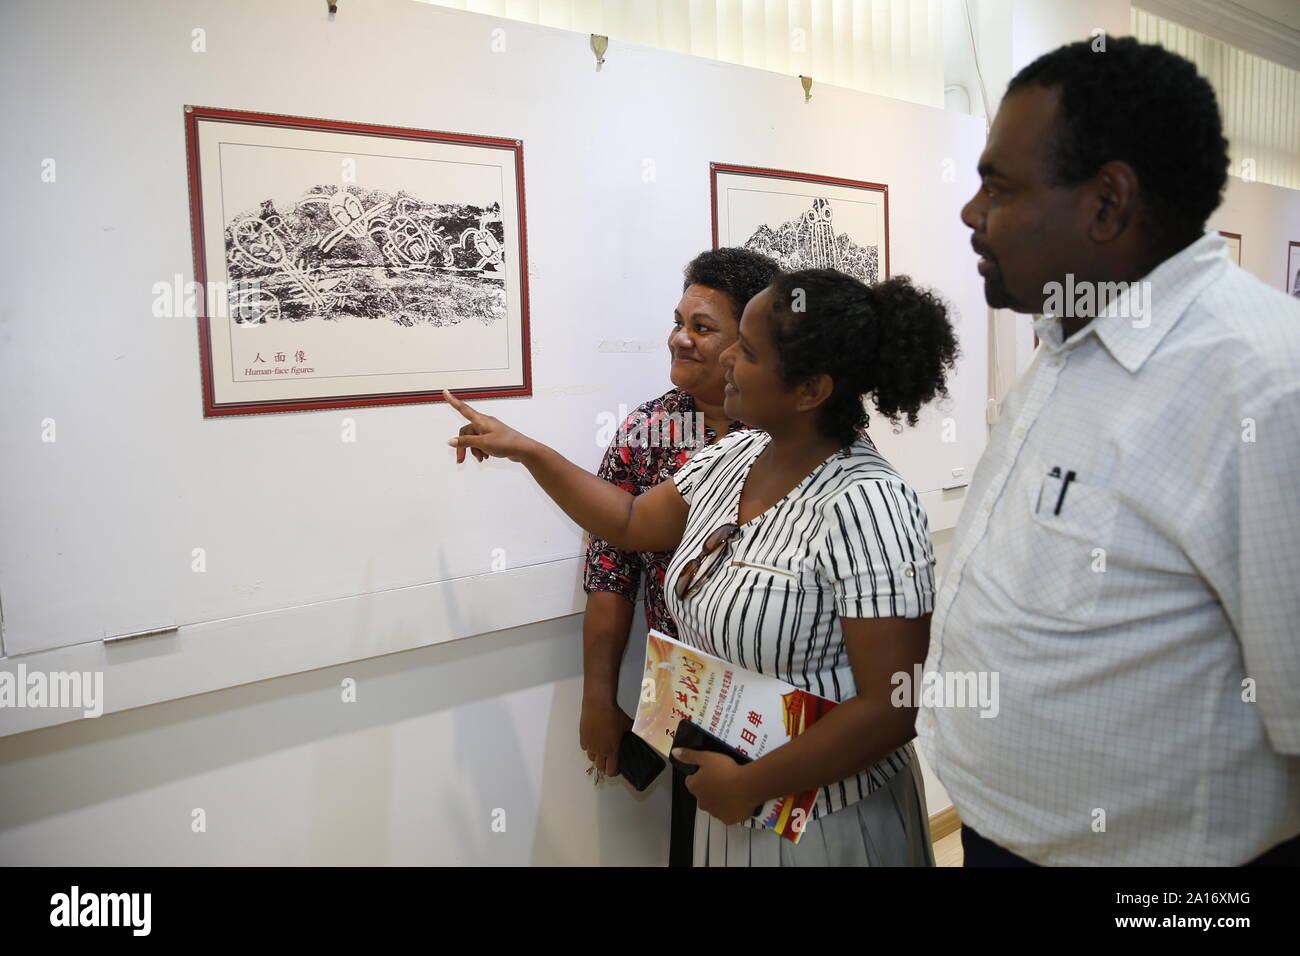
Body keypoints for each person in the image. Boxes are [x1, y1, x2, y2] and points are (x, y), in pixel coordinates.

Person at [918, 37, 1300, 866]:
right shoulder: (1066, 347)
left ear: (1107, 203)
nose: (970, 213)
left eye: (999, 186)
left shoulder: (1266, 389)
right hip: (997, 836)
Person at [446, 268, 958, 866]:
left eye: (748, 350)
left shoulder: (869, 504)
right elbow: (632, 521)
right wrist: (528, 450)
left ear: (810, 390)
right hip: (735, 802)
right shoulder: (738, 455)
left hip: (825, 822)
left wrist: (752, 785)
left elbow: (893, 707)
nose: (729, 361)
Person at [579, 247, 778, 867]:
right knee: (699, 848)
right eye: (678, 321)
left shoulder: (794, 434)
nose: (679, 339)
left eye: (702, 327)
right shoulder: (646, 435)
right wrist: (597, 696)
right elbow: (611, 572)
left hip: (782, 696)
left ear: (749, 340)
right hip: (686, 694)